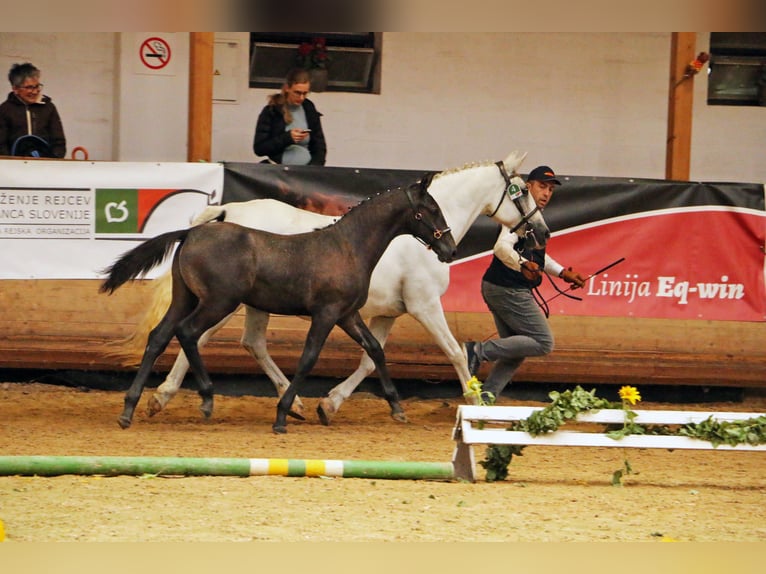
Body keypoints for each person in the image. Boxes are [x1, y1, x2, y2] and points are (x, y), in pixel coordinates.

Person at [463, 165, 587, 402]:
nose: (547, 193)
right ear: (528, 187)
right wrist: (521, 264)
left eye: (550, 189)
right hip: (507, 288)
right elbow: (501, 248)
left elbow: (539, 258)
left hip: (498, 287)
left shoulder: (532, 218)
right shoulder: (517, 217)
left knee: (516, 350)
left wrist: (562, 273)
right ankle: (477, 351)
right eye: (542, 186)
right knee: (543, 342)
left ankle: (485, 398)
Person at [252, 67, 327, 165]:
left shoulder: (309, 109)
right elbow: (259, 148)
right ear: (287, 88)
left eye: (305, 93)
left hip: (306, 172)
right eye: (297, 92)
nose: (301, 98)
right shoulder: (271, 111)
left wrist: (313, 168)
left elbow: (320, 146)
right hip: (278, 171)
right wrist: (287, 138)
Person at [0, 62, 66, 158]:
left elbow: (58, 141)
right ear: (15, 89)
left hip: (45, 166)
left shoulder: (49, 108)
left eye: (37, 86)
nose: (35, 91)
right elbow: (1, 144)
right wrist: (9, 164)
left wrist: (53, 161)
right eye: (29, 87)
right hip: (14, 166)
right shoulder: (5, 110)